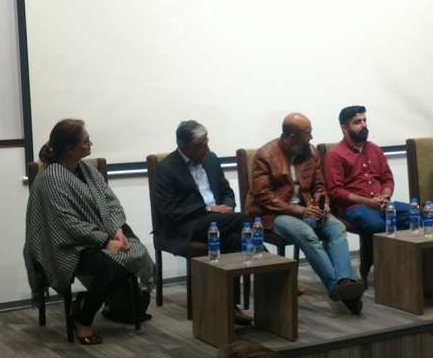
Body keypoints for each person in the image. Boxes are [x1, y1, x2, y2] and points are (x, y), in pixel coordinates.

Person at [24, 119, 156, 345]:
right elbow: (66, 224)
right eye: (86, 141)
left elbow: (110, 200)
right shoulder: (50, 179)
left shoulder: (86, 169)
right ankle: (83, 318)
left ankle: (92, 301)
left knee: (134, 252)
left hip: (102, 232)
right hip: (66, 244)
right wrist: (105, 241)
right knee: (110, 266)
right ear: (70, 148)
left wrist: (117, 230)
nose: (91, 143)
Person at [245, 112, 365, 315]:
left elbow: (319, 185)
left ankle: (345, 281)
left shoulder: (310, 152)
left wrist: (323, 203)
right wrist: (300, 210)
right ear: (292, 137)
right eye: (307, 134)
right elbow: (263, 196)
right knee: (307, 235)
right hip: (274, 213)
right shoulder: (264, 155)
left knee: (337, 227)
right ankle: (337, 287)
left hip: (308, 209)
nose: (311, 138)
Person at [153, 120, 253, 324]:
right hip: (188, 225)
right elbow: (170, 213)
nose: (206, 149)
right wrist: (208, 209)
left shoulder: (211, 158)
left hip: (220, 221)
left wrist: (228, 206)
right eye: (201, 146)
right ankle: (268, 269)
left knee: (234, 238)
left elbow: (227, 191)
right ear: (184, 147)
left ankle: (228, 305)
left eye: (207, 143)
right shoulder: (166, 169)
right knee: (242, 219)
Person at [325, 106, 410, 256]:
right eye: (357, 122)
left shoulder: (374, 149)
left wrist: (385, 197)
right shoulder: (335, 155)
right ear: (345, 128)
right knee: (377, 225)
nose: (363, 125)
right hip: (354, 207)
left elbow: (387, 178)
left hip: (381, 204)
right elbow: (336, 191)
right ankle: (379, 266)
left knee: (412, 214)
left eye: (364, 120)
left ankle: (407, 262)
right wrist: (368, 202)